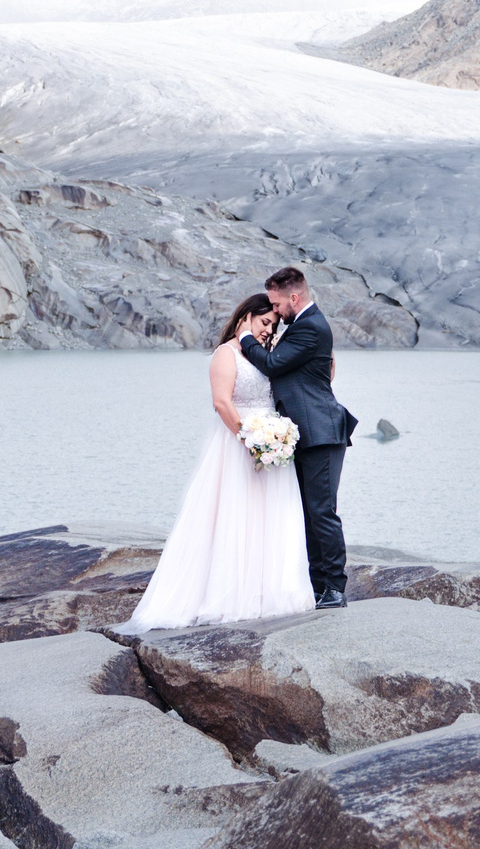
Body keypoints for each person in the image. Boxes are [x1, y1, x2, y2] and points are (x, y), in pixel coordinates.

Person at [120, 293, 315, 630]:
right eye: (264, 322)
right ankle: (230, 595)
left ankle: (271, 594)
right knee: (236, 517)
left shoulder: (267, 356)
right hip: (239, 443)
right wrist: (251, 441)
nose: (269, 330)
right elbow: (222, 403)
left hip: (270, 445)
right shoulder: (226, 355)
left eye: (273, 325)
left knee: (271, 518)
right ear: (245, 318)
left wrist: (274, 440)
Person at [235, 265, 360, 607]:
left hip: (321, 433)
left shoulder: (311, 326)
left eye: (276, 304)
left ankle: (334, 588)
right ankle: (318, 586)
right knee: (308, 512)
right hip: (305, 434)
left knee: (322, 512)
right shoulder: (301, 326)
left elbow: (273, 365)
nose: (274, 311)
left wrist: (245, 336)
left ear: (294, 297)